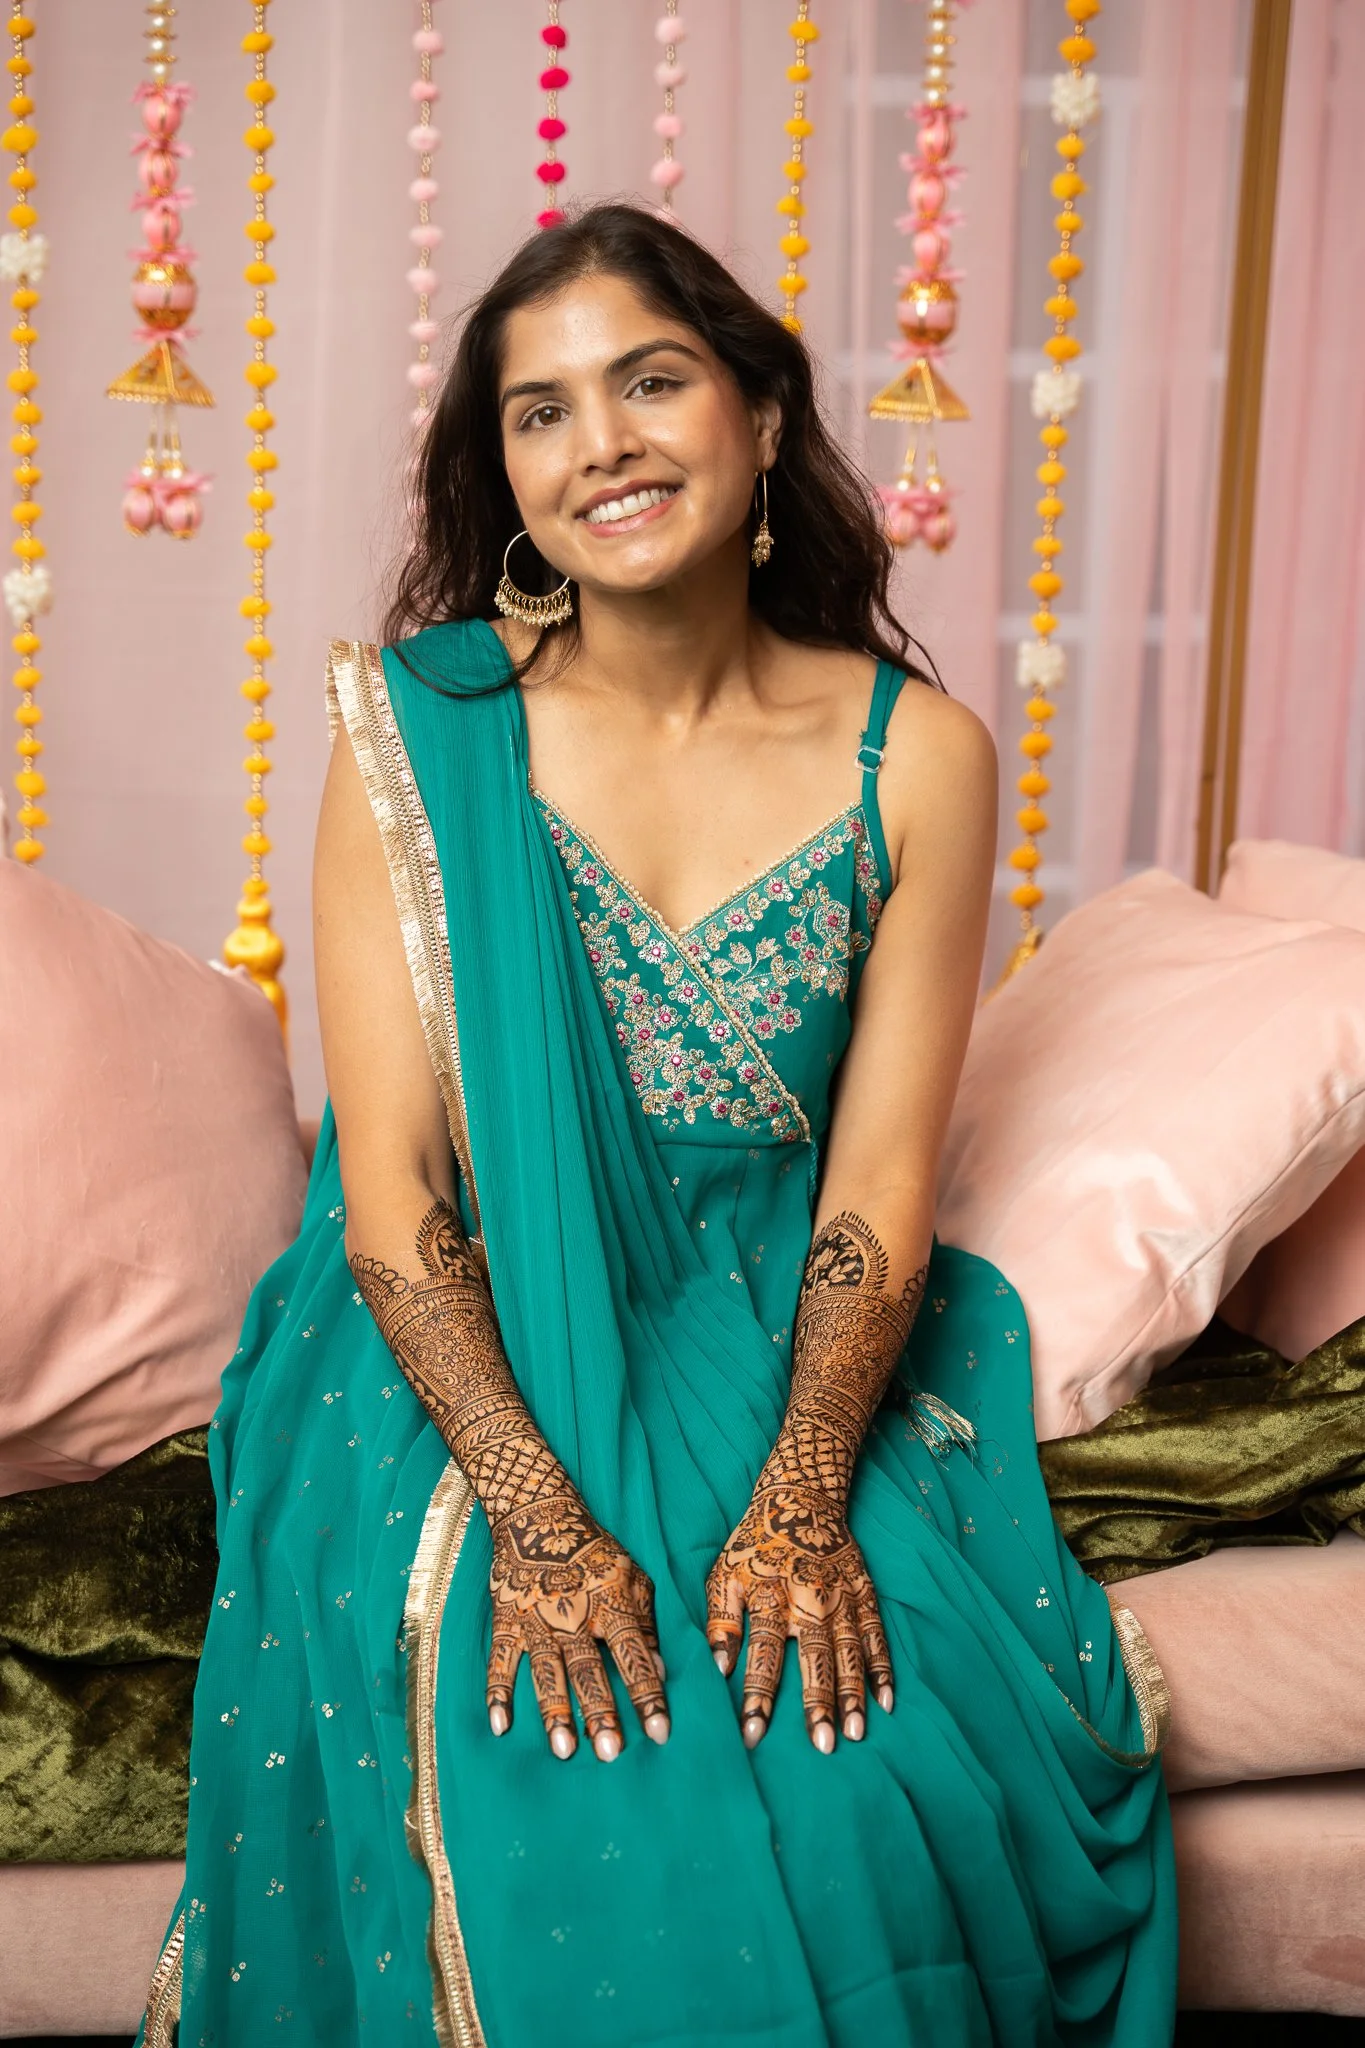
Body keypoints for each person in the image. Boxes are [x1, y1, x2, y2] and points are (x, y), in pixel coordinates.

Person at [138, 202, 1175, 2048]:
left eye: (650, 380)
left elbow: (876, 1188)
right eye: (538, 413)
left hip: (783, 1325)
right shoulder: (419, 733)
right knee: (548, 1733)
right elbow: (393, 1204)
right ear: (505, 474)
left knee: (872, 1742)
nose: (599, 441)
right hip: (448, 1339)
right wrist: (539, 1524)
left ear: (764, 414)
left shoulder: (913, 754)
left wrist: (797, 1505)